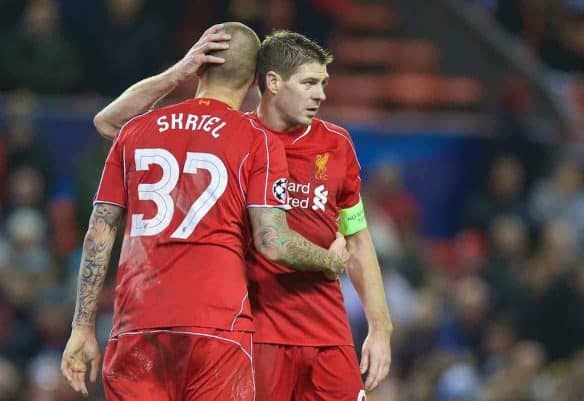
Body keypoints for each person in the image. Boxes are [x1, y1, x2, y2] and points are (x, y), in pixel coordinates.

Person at [93, 28, 393, 401]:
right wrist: (182, 72)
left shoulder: (337, 145)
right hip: (255, 332)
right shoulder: (235, 135)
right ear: (272, 82)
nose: (321, 94)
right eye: (310, 83)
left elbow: (357, 238)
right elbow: (112, 124)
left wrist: (380, 328)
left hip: (327, 335)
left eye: (323, 83)